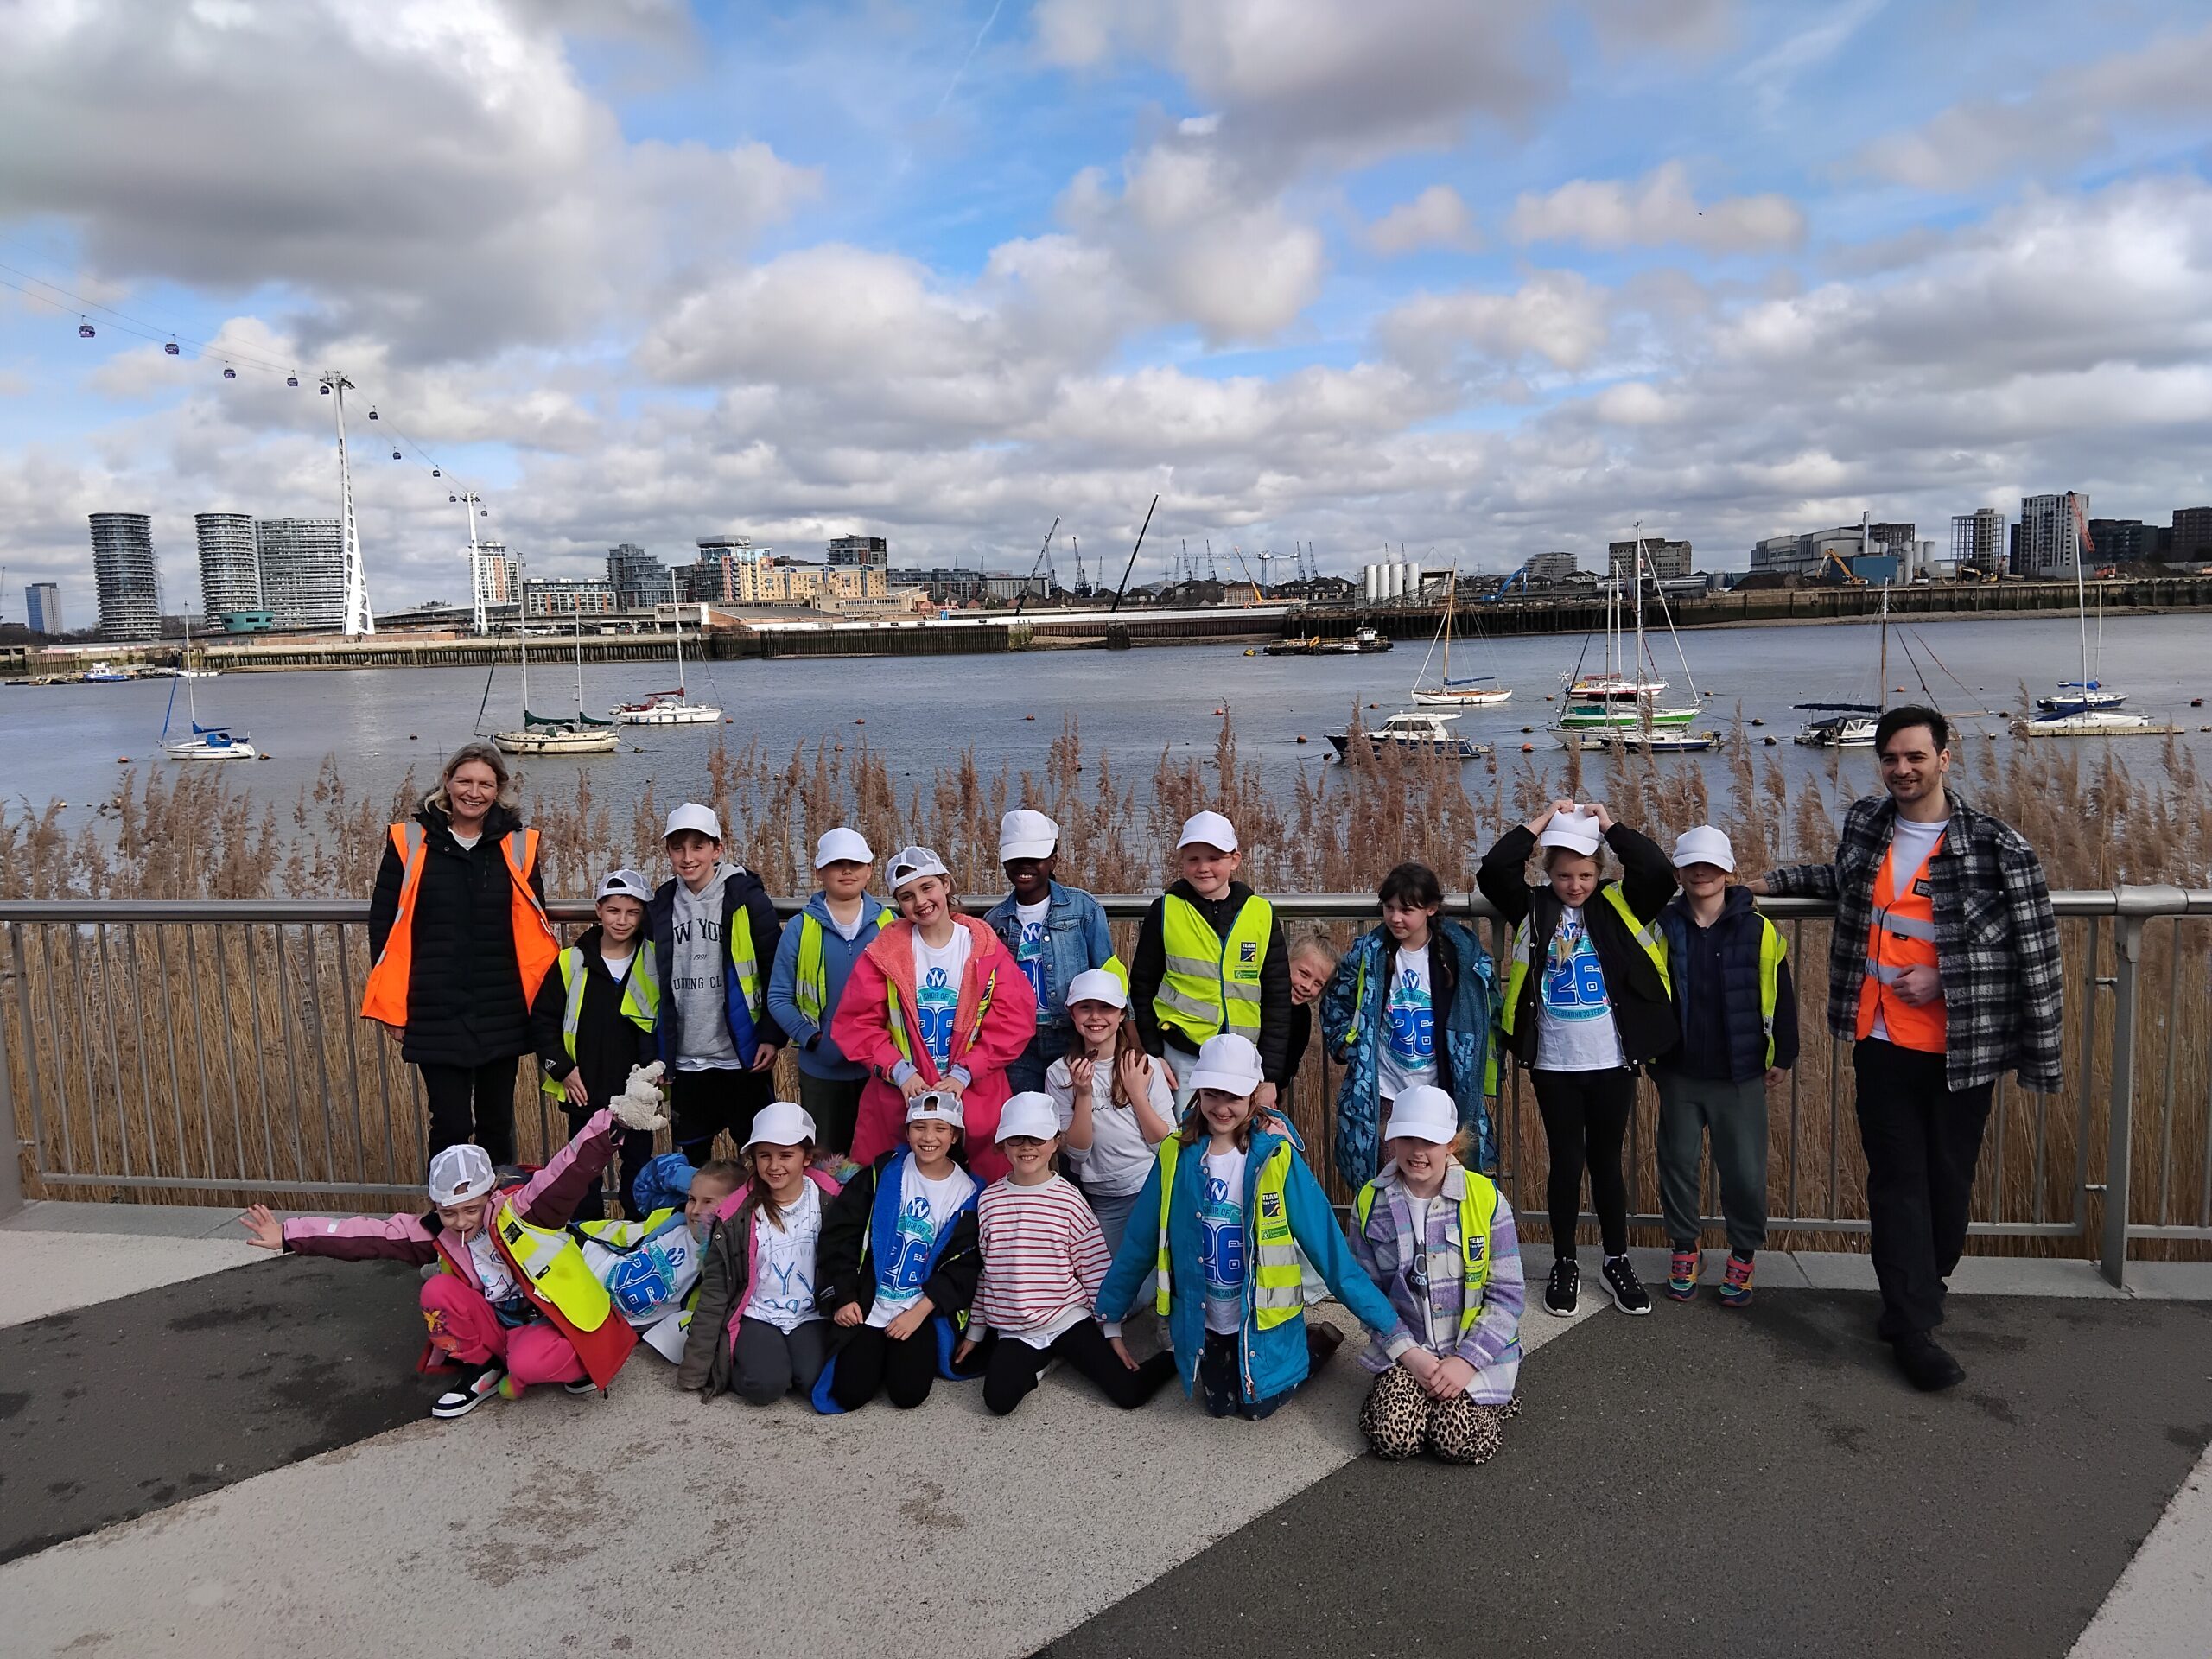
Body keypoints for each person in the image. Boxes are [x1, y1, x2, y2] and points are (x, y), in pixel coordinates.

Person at [1747, 706, 2062, 1391]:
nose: (1902, 769)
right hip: (1880, 1038)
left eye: (1915, 756)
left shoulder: (1995, 845)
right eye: (1891, 757)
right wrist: (1763, 885)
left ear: (1944, 758)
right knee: (1895, 1180)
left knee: (1948, 1180)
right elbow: (1846, 880)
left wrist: (1945, 972)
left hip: (1960, 1048)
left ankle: (1925, 1284)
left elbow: (2032, 948)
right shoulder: (1869, 822)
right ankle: (1910, 1325)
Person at [237, 1080, 668, 1418]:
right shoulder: (433, 1230)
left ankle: (564, 1360)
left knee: (530, 1365)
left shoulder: (524, 1210)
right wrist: (289, 1234)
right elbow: (364, 1234)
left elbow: (567, 1168)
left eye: (470, 1210)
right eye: (448, 1213)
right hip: (495, 1320)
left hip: (545, 1316)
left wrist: (615, 1121)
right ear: (435, 1206)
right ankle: (484, 1368)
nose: (460, 1222)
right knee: (436, 1291)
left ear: (491, 1193)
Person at [1092, 1033, 1414, 1421]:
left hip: (1265, 1324)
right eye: (1212, 1094)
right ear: (1198, 1094)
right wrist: (1110, 1317)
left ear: (1252, 1096)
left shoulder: (1277, 1158)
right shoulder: (1174, 1155)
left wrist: (1394, 1333)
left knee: (1257, 1408)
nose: (1221, 1107)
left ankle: (1311, 1347)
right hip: (1207, 1320)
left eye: (1233, 1097)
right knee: (1220, 1408)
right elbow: (1140, 1242)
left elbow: (1333, 1257)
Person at [1477, 800, 1677, 1319]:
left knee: (1606, 1162)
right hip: (1554, 1062)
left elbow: (1658, 871)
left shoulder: (1618, 903)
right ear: (1548, 872)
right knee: (1566, 1162)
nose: (1575, 885)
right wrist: (1543, 819)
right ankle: (1564, 1262)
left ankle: (1616, 1259)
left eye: (1586, 875)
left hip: (1612, 1059)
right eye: (1564, 875)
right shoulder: (1533, 907)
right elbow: (1493, 870)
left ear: (1599, 872)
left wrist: (1610, 825)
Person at [362, 741, 557, 1169]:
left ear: (499, 789)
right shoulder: (409, 841)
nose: (474, 792)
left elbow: (535, 925)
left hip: (502, 1006)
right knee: (450, 1123)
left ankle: (499, 1206)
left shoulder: (517, 845)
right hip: (433, 1005)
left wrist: (542, 1006)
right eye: (465, 781)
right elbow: (385, 927)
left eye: (485, 784)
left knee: (496, 1124)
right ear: (447, 782)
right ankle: (447, 1204)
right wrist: (395, 1007)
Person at [956, 1092, 1179, 1415]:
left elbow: (1095, 1269)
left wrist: (1111, 1331)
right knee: (998, 1401)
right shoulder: (989, 1200)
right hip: (1016, 1328)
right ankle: (1045, 1360)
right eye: (1017, 1138)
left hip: (1067, 1318)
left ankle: (1174, 1355)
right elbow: (987, 1271)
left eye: (1037, 1138)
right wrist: (976, 1330)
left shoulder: (1069, 1200)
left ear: (1055, 1142)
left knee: (1129, 1393)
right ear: (1002, 1144)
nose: (1027, 1147)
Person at [1654, 826, 1797, 1307]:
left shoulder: (1758, 930)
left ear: (1728, 871)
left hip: (1741, 1070)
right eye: (1692, 865)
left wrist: (1784, 1054)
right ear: (1678, 873)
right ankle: (1685, 1247)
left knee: (1744, 1171)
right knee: (1677, 1162)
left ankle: (1743, 1253)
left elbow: (1781, 993)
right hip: (1679, 1068)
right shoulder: (1663, 926)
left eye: (1711, 865)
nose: (1702, 873)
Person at [834, 845, 1037, 1185]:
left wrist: (965, 1072)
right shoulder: (883, 955)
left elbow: (1014, 1021)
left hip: (975, 1093)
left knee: (986, 1189)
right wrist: (900, 1071)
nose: (921, 902)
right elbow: (856, 1024)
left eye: (927, 887)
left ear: (945, 884)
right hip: (903, 1095)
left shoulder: (984, 948)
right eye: (907, 896)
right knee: (888, 1187)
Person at [1347, 1085, 1523, 1465]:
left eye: (1429, 1141)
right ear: (1392, 1140)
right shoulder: (1369, 1202)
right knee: (1392, 1439)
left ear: (1451, 1144)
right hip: (1408, 1351)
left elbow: (1507, 1296)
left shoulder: (1486, 1199)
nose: (1417, 1151)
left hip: (1473, 1352)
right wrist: (1408, 1355)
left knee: (1458, 1442)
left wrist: (1466, 1361)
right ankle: (1410, 1398)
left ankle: (1489, 1399)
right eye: (1407, 1138)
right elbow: (1368, 1296)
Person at [1320, 861, 1497, 1192]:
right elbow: (1336, 998)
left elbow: (1487, 1007)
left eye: (1406, 910)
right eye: (1389, 908)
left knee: (1439, 1180)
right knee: (1388, 1181)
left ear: (1431, 909)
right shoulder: (1369, 952)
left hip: (1440, 1092)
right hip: (1385, 1090)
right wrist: (1345, 1044)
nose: (1395, 918)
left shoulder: (1458, 955)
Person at [811, 1090, 982, 1413]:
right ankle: (873, 1355)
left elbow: (964, 1267)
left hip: (918, 1307)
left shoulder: (968, 1194)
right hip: (870, 1301)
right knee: (849, 1393)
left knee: (908, 1394)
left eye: (940, 1128)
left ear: (955, 1135)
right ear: (907, 1131)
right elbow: (841, 1235)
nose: (928, 1137)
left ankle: (896, 1355)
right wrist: (844, 1295)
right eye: (919, 1127)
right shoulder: (883, 1174)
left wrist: (919, 1313)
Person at [645, 803, 786, 1165]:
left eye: (698, 846)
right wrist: (658, 1053)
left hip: (742, 1055)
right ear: (668, 852)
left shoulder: (747, 899)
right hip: (686, 1059)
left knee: (758, 1154)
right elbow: (649, 983)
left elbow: (774, 968)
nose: (688, 857)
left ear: (717, 849)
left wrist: (771, 1036)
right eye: (678, 848)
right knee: (693, 1160)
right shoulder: (661, 904)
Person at [1127, 810, 1293, 1117]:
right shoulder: (1165, 910)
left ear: (1235, 860)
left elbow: (1278, 998)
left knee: (1241, 1138)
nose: (1203, 867)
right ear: (1182, 862)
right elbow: (1142, 986)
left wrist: (1270, 1075)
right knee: (1183, 1135)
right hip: (1183, 1055)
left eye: (1214, 858)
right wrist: (1154, 1053)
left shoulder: (1261, 913)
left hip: (1245, 1058)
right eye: (1193, 859)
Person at [679, 1100, 844, 1404]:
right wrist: (695, 1371)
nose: (774, 1166)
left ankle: (789, 1359)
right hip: (758, 1314)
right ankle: (752, 1362)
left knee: (816, 1381)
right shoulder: (734, 1216)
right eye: (764, 1156)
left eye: (786, 1155)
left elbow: (847, 1260)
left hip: (809, 1314)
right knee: (765, 1386)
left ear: (807, 1157)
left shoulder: (830, 1199)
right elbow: (715, 1291)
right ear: (753, 1158)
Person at [530, 868, 661, 1217]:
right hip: (584, 1088)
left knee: (638, 1169)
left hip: (636, 1091)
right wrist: (562, 1069)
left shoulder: (656, 959)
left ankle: (638, 1233)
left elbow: (667, 1021)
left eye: (633, 912)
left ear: (643, 915)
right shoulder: (570, 962)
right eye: (614, 910)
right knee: (583, 1171)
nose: (622, 920)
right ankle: (586, 1234)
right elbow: (542, 1022)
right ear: (599, 910)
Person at [766, 827, 891, 1164]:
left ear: (869, 870)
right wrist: (812, 1037)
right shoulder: (800, 928)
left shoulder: (889, 925)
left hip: (879, 1069)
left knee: (876, 1160)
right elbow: (778, 997)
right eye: (837, 864)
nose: (846, 871)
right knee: (824, 1162)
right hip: (822, 1070)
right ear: (820, 872)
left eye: (855, 863)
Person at [983, 809, 1123, 1095]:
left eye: (1034, 858)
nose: (1024, 866)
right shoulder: (995, 922)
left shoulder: (1082, 908)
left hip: (1073, 1036)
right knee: (1027, 1112)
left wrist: (1128, 1036)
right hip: (1020, 1042)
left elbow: (1108, 973)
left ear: (1053, 860)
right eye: (1016, 859)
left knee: (1077, 1108)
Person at [1046, 968, 1177, 1261]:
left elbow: (1166, 1145)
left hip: (1150, 1187)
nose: (1096, 1017)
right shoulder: (1059, 1074)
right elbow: (1077, 1153)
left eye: (1106, 1008)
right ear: (1072, 1014)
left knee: (1156, 1274)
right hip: (1104, 1198)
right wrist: (1083, 1094)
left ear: (1121, 1015)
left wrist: (1137, 1095)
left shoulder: (1145, 1066)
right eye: (1085, 1007)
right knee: (1115, 1280)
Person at [571, 1156, 742, 1363]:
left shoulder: (723, 1268)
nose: (695, 1210)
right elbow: (648, 1181)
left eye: (708, 1202)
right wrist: (694, 1178)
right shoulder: (672, 1220)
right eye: (692, 1199)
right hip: (581, 1257)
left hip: (597, 1317)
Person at [1282, 931, 1339, 1102]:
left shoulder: (1303, 1017)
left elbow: (1289, 1068)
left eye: (1318, 983)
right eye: (1304, 974)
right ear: (1287, 963)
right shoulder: (1259, 999)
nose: (1307, 986)